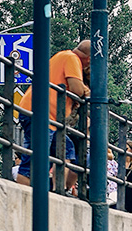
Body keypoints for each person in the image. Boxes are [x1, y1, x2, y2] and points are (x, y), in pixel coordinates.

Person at [15, 42, 90, 189]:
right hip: (41, 115)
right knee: (34, 161)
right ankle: (24, 194)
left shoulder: (63, 56)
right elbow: (76, 88)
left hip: (46, 118)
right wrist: (86, 92)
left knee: (66, 150)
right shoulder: (71, 58)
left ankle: (58, 189)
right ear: (89, 59)